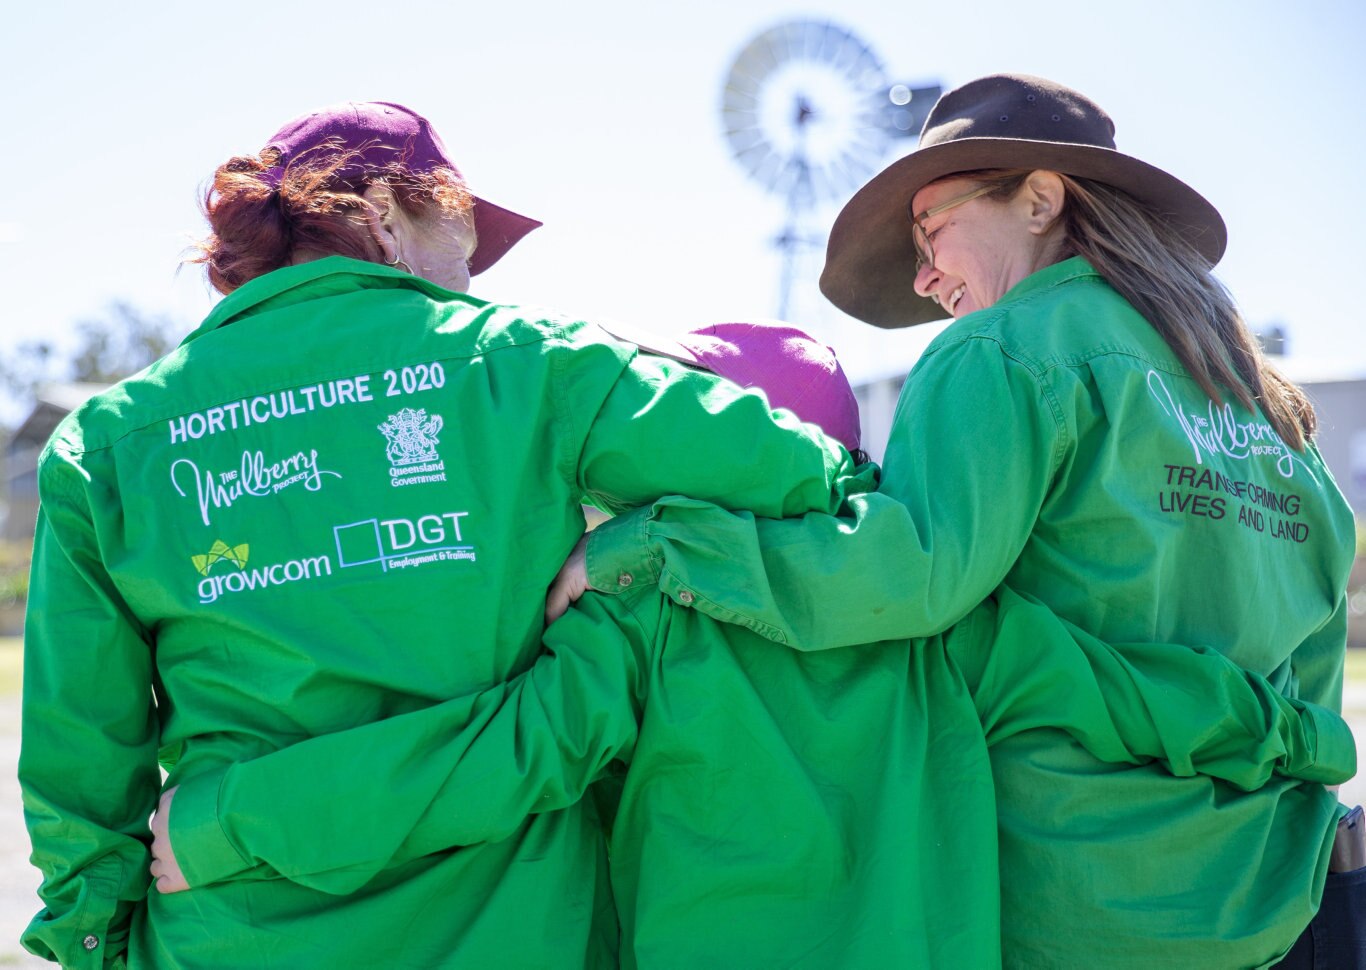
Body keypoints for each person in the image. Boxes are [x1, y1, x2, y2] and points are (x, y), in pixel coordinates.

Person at [146, 322, 1354, 969]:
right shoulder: (952, 622)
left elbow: (488, 763)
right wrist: (1306, 735)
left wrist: (227, 821)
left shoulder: (633, 614)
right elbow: (1153, 700)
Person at [17, 102, 875, 969]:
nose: (466, 289)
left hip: (223, 934)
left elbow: (78, 754)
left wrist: (102, 944)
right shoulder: (529, 360)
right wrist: (634, 544)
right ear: (386, 220)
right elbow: (814, 475)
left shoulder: (106, 443)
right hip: (509, 930)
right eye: (461, 259)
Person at [555, 74, 1361, 966]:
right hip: (1273, 895)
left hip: (1070, 892)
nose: (923, 274)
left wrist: (656, 547)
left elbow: (907, 580)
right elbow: (1313, 676)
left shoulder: (1002, 350)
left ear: (1041, 200)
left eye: (932, 227)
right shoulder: (1273, 408)